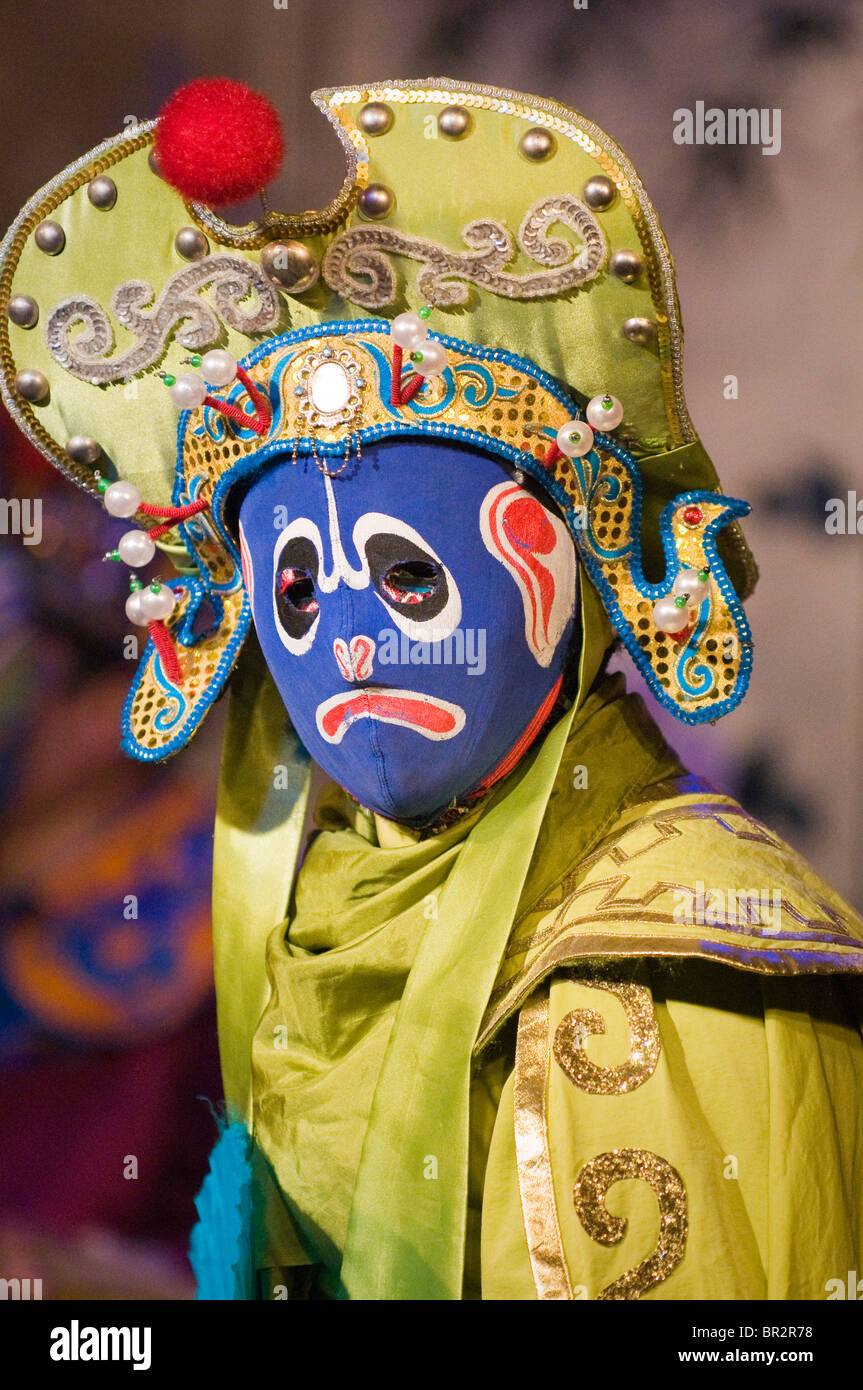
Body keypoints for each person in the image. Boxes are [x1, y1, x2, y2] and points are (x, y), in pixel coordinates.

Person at [2, 75, 861, 1301]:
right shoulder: (322, 907)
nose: (347, 645)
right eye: (297, 595)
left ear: (545, 569)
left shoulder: (668, 963)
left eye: (407, 578)